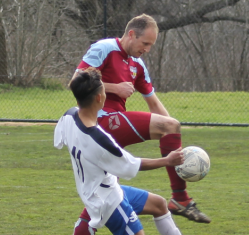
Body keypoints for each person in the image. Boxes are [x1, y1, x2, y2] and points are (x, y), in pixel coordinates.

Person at [72, 14, 211, 234]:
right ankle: (181, 198)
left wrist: (174, 134)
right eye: (145, 43)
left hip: (111, 135)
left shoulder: (137, 65)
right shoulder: (105, 48)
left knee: (105, 195)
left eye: (151, 45)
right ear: (131, 34)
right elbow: (76, 79)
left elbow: (154, 104)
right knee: (106, 195)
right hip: (100, 122)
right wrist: (115, 88)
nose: (147, 48)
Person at [54, 67, 184, 235]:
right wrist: (168, 160)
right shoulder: (99, 140)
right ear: (100, 97)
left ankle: (83, 228)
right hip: (109, 200)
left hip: (99, 189)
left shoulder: (69, 116)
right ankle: (84, 226)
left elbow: (59, 140)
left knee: (159, 204)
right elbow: (132, 165)